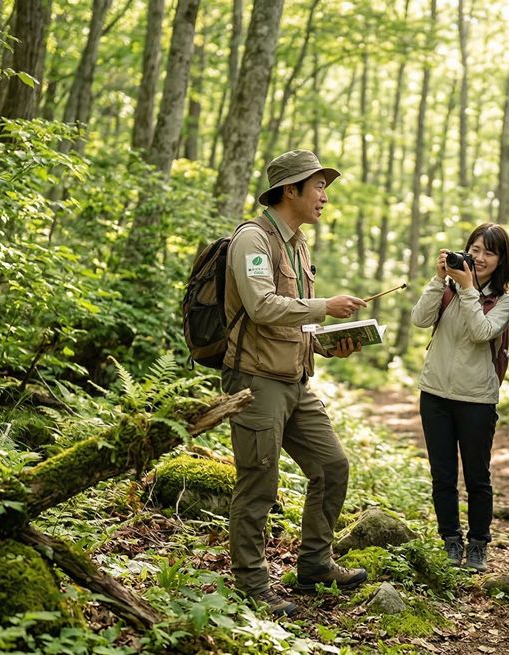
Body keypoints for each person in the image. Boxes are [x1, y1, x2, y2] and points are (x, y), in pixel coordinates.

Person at [221, 150, 370, 618]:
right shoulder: (253, 239)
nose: (325, 195)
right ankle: (250, 584)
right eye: (318, 186)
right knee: (258, 481)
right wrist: (325, 305)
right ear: (291, 191)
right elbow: (263, 306)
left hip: (296, 379)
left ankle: (314, 566)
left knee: (332, 467)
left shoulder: (299, 245)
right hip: (255, 380)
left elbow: (294, 322)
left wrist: (330, 343)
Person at [411, 224, 509, 574]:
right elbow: (419, 319)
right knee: (442, 474)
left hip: (476, 398)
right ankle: (450, 541)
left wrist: (469, 289)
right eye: (474, 248)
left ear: (500, 260)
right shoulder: (448, 289)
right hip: (435, 393)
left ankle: (478, 545)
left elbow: (481, 332)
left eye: (489, 251)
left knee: (476, 476)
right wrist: (439, 280)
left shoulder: (504, 300)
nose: (479, 257)